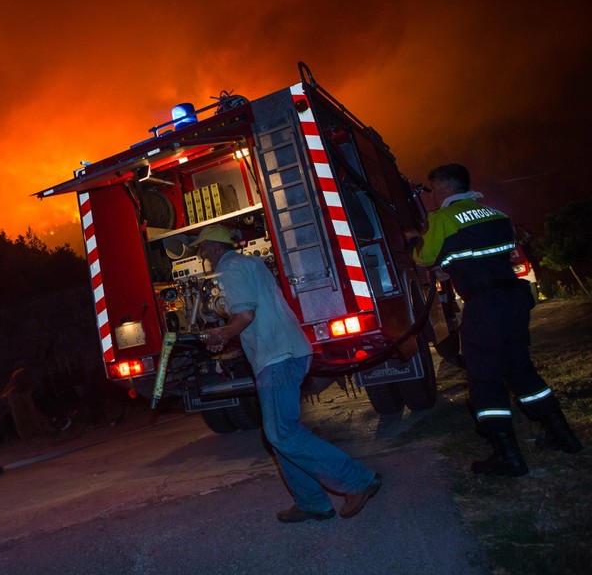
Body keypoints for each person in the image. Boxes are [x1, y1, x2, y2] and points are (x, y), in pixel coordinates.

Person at [191, 224, 382, 523]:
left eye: (203, 250)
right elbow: (258, 315)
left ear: (215, 248)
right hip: (287, 351)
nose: (204, 256)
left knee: (282, 432)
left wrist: (221, 335)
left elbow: (245, 315)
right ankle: (311, 501)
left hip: (277, 357)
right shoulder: (252, 263)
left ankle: (357, 480)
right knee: (278, 434)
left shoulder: (229, 269)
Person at [409, 164, 582, 476]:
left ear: (446, 189)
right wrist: (454, 266)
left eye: (433, 191)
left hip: (483, 304)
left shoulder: (442, 219)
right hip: (513, 300)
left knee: (483, 376)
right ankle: (564, 436)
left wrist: (422, 247)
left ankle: (507, 455)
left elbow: (423, 257)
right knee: (519, 367)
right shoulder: (496, 214)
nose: (432, 197)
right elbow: (489, 254)